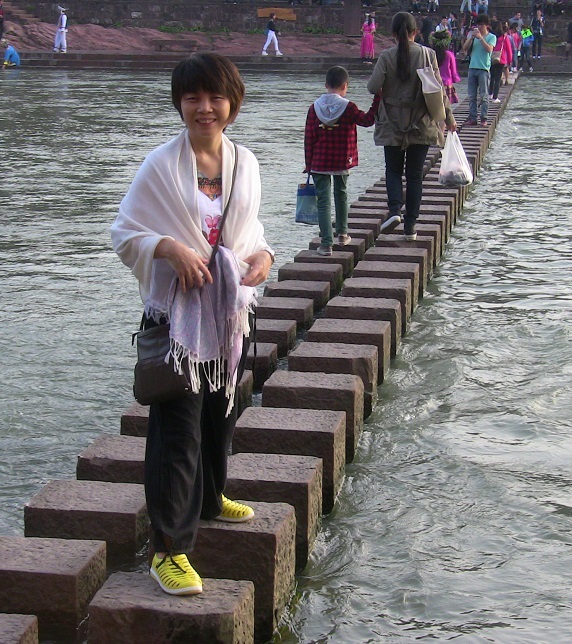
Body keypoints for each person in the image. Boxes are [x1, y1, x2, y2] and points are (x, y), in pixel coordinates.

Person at [111, 53, 275, 597]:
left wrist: (265, 257)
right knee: (176, 431)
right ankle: (170, 549)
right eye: (193, 98)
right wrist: (167, 247)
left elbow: (250, 234)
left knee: (219, 415)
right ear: (180, 103)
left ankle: (210, 497)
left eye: (215, 97)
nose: (205, 107)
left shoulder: (245, 162)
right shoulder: (160, 166)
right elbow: (124, 233)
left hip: (228, 316)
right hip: (177, 322)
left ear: (233, 103)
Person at [367, 12, 456, 240]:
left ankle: (395, 210)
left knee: (394, 170)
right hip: (422, 123)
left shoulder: (387, 56)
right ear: (416, 32)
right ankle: (410, 227)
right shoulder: (428, 55)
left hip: (392, 123)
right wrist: (449, 119)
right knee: (415, 176)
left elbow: (372, 86)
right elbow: (438, 90)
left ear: (394, 34)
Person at [303, 66, 380, 255]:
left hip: (320, 161)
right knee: (341, 194)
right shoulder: (349, 107)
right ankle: (343, 234)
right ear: (345, 86)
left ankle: (326, 244)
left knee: (323, 201)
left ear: (326, 85)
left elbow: (309, 137)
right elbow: (368, 120)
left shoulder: (314, 108)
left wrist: (308, 163)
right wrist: (378, 98)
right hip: (342, 159)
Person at [462, 13, 495, 127]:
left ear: (486, 25)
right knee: (472, 96)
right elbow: (465, 48)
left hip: (483, 69)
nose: (479, 27)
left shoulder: (491, 37)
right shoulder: (474, 36)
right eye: (478, 25)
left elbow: (489, 49)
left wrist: (481, 38)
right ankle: (472, 118)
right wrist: (471, 37)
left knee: (484, 95)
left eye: (481, 25)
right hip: (472, 67)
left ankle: (483, 118)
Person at [431, 29, 460, 104]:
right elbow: (453, 72)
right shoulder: (449, 55)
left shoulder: (431, 54)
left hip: (433, 84)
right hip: (446, 84)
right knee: (446, 108)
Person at [488, 24, 511, 101]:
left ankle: (490, 93)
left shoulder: (491, 37)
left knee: (492, 77)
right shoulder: (504, 37)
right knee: (498, 79)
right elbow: (509, 50)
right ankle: (495, 97)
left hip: (491, 58)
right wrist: (510, 61)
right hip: (501, 59)